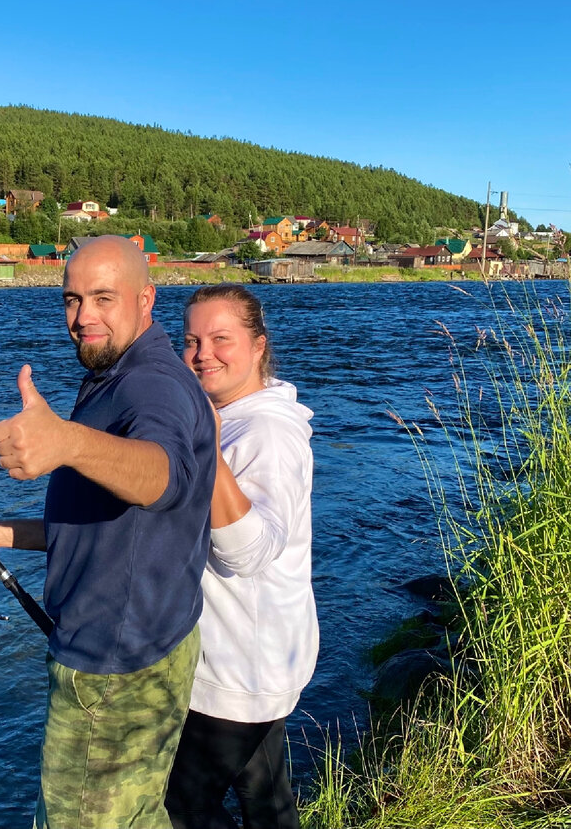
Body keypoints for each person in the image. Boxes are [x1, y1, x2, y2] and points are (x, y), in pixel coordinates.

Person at [0, 235, 217, 829]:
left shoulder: (154, 386)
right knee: (140, 814)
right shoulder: (116, 372)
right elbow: (113, 524)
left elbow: (161, 476)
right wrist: (8, 532)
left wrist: (65, 440)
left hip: (110, 674)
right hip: (153, 645)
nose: (83, 317)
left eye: (103, 297)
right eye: (72, 300)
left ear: (146, 298)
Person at [164, 284, 318, 829]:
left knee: (177, 809)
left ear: (258, 347)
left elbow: (251, 551)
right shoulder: (228, 417)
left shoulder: (268, 433)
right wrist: (11, 534)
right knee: (267, 803)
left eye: (220, 338)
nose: (203, 353)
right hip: (260, 661)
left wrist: (205, 445)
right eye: (191, 340)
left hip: (237, 672)